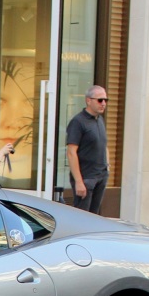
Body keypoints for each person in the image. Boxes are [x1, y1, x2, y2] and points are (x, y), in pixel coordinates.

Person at [65, 86, 109, 214]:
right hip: (86, 178)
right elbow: (71, 152)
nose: (104, 103)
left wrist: (108, 166)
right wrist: (79, 182)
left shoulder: (100, 120)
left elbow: (104, 144)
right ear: (88, 101)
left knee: (94, 216)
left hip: (101, 175)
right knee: (82, 216)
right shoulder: (78, 122)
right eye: (100, 100)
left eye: (106, 100)